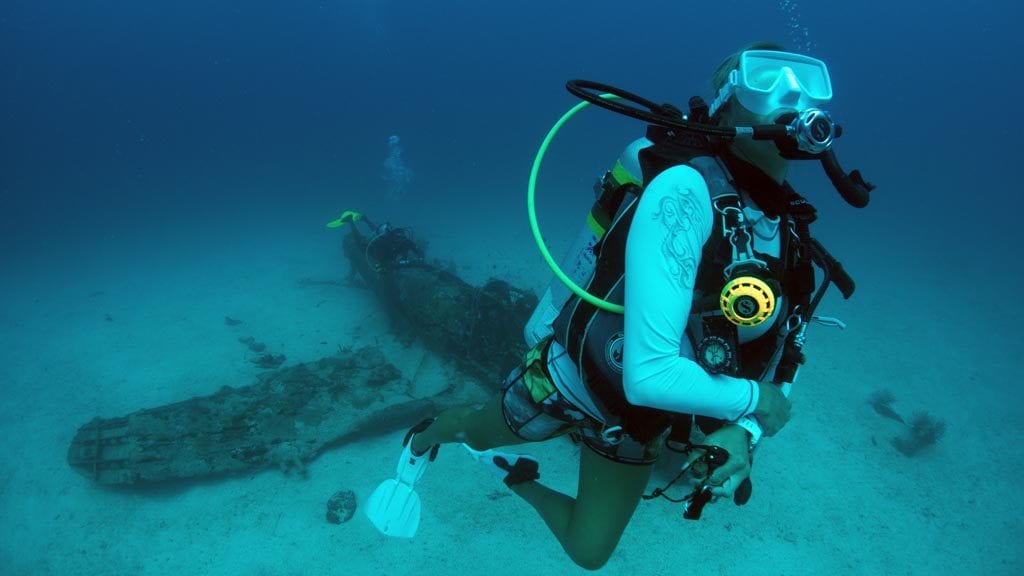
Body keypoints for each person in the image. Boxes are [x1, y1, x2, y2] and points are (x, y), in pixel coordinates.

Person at [366, 42, 868, 570]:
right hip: (573, 378)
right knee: (471, 428)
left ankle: (511, 475)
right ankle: (428, 434)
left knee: (590, 551)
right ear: (726, 102)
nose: (792, 94)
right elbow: (651, 374)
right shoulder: (684, 191)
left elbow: (781, 351)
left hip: (637, 419)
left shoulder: (784, 226)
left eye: (811, 81)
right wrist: (755, 404)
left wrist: (744, 430)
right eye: (765, 78)